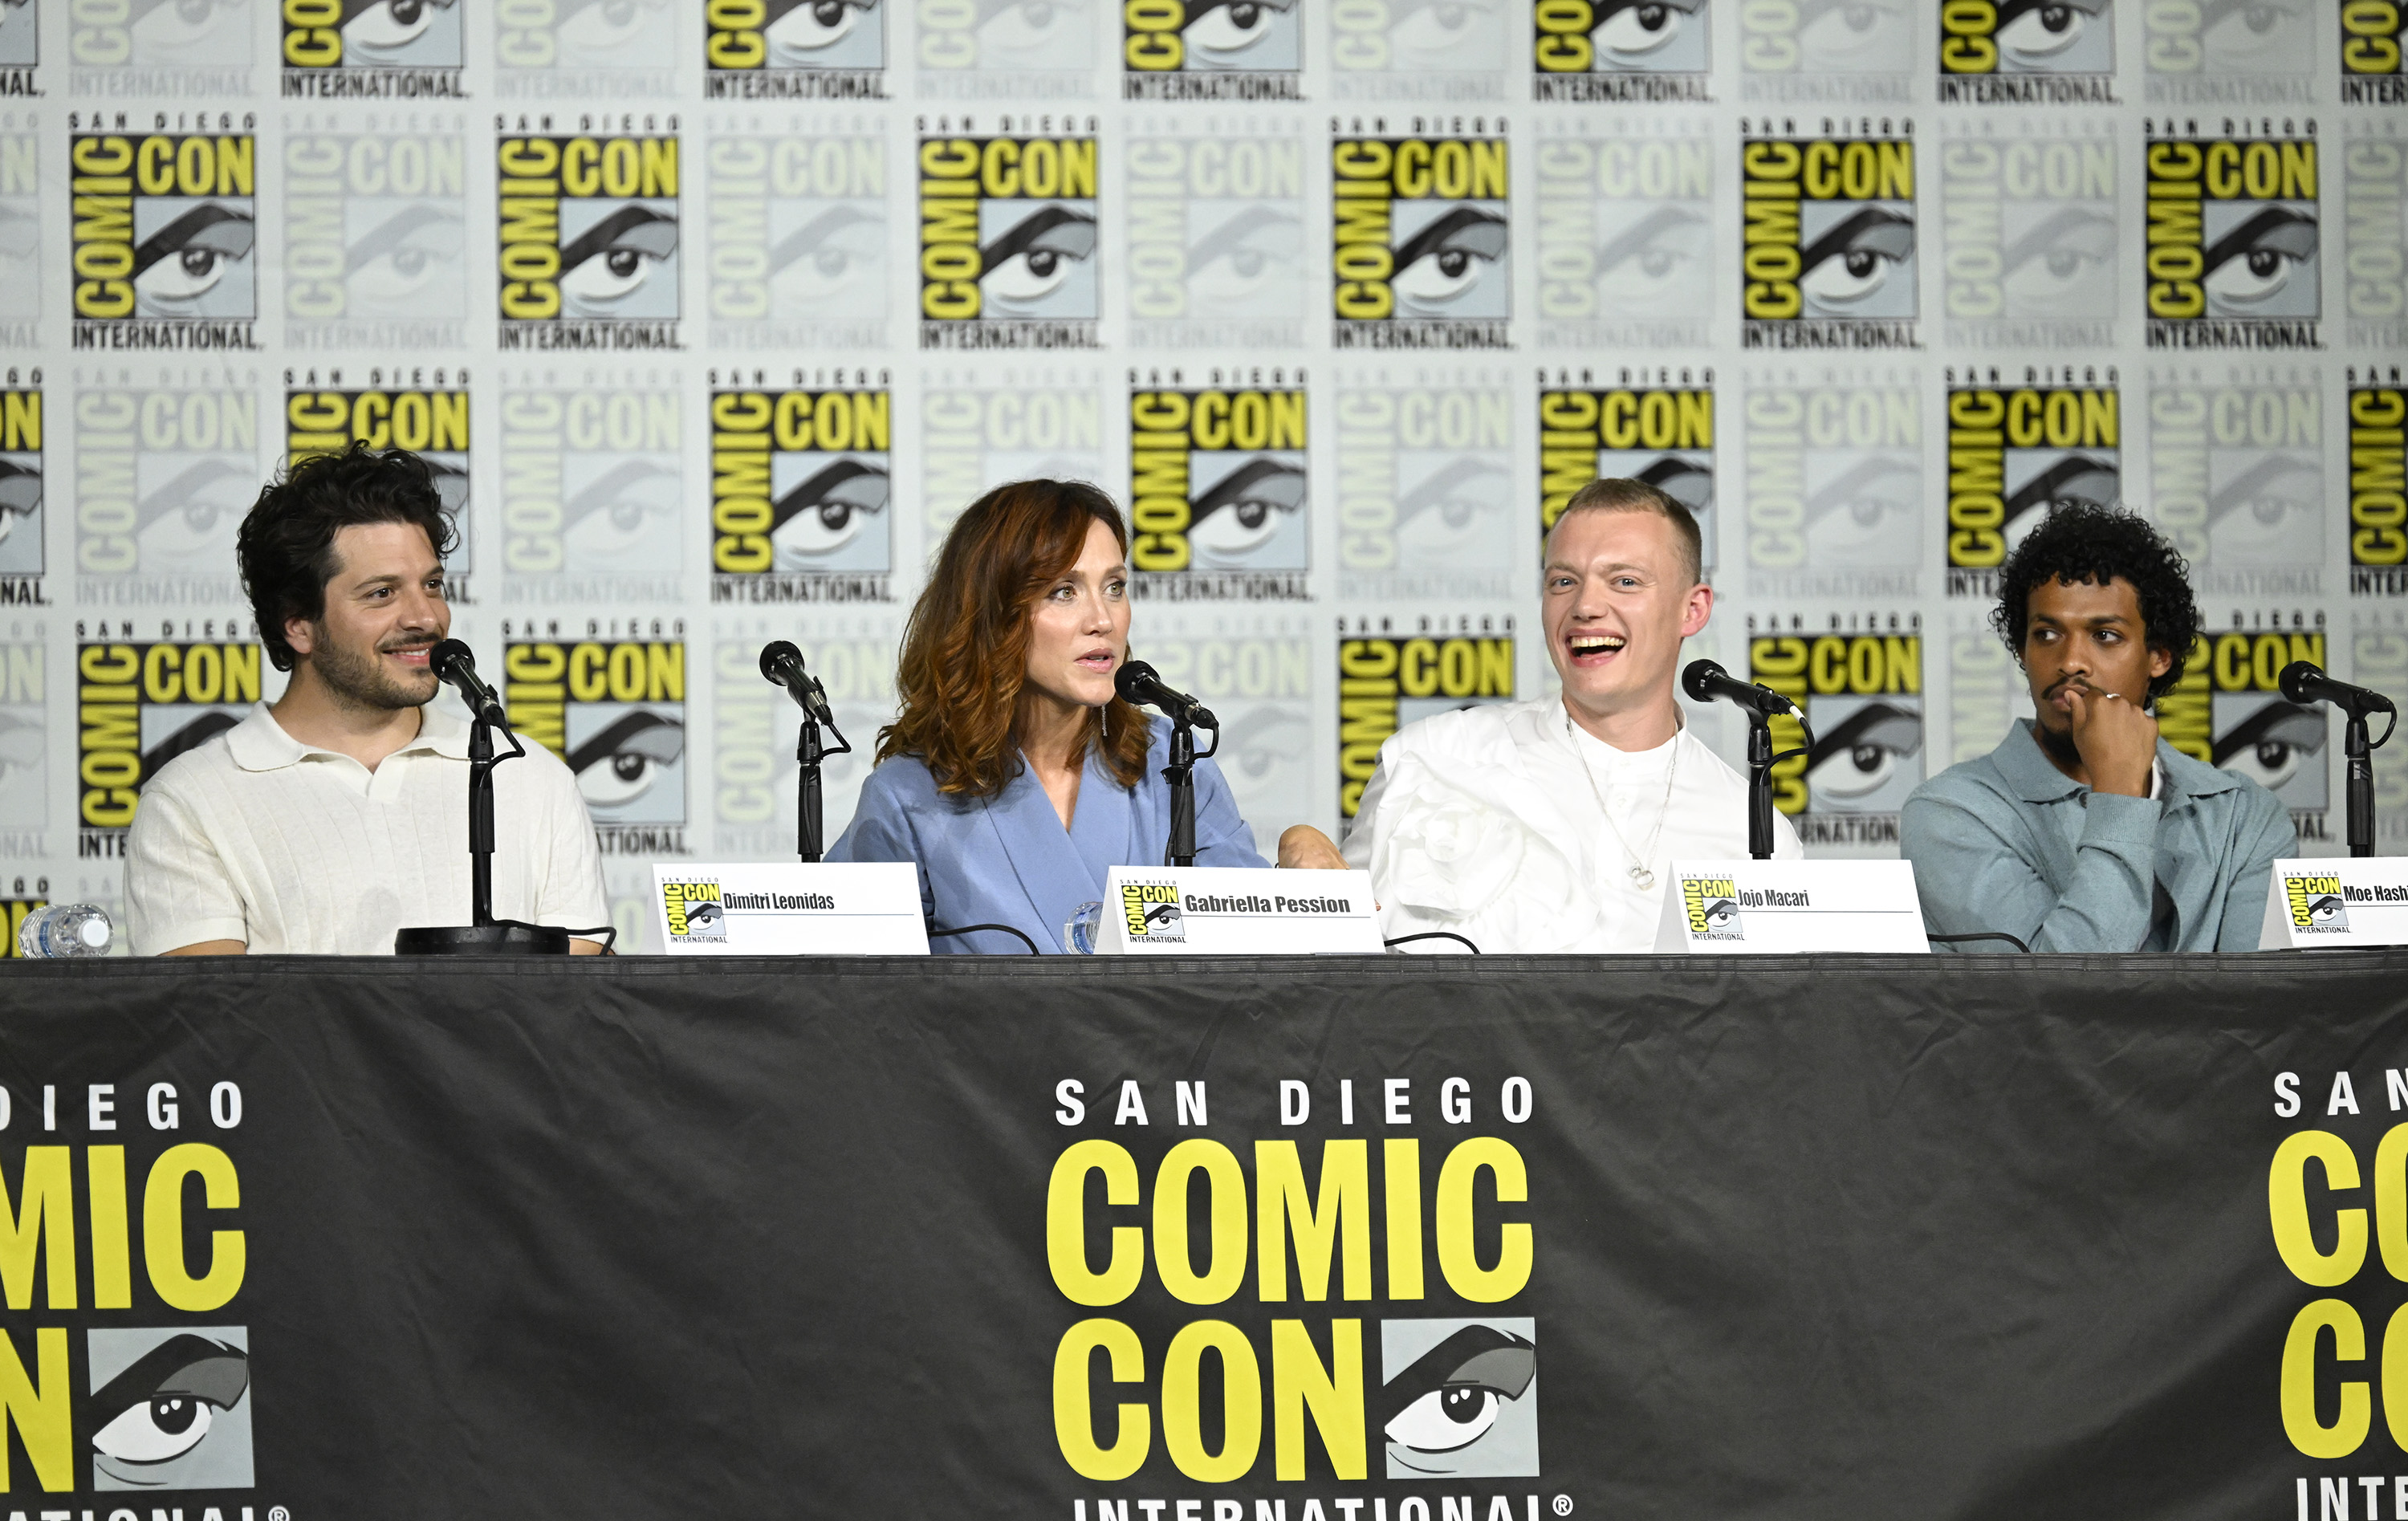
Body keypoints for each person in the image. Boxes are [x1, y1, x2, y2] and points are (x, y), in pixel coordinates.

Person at [1279, 477, 1800, 952]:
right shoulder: (1432, 758)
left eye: (1624, 582)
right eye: (1563, 582)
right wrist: (1299, 854)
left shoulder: (1756, 836)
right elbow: (1340, 969)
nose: (1586, 607)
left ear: (1694, 609)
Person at [125, 444, 608, 955]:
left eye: (432, 584)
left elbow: (580, 994)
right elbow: (211, 1005)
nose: (426, 618)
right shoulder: (191, 801)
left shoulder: (531, 777)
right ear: (298, 625)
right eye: (382, 593)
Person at [829, 479, 1266, 953]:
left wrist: (1301, 867)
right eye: (1064, 591)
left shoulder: (1174, 764)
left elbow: (1254, 951)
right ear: (993, 614)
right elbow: (852, 986)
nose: (1102, 620)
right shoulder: (906, 797)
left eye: (1115, 587)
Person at [1899, 501, 2295, 952]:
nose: (2070, 661)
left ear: (2158, 656)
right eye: (2047, 634)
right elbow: (2059, 985)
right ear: (2022, 651)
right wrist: (2120, 795)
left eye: (2105, 635)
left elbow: (2260, 992)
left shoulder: (2243, 815)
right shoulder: (1951, 813)